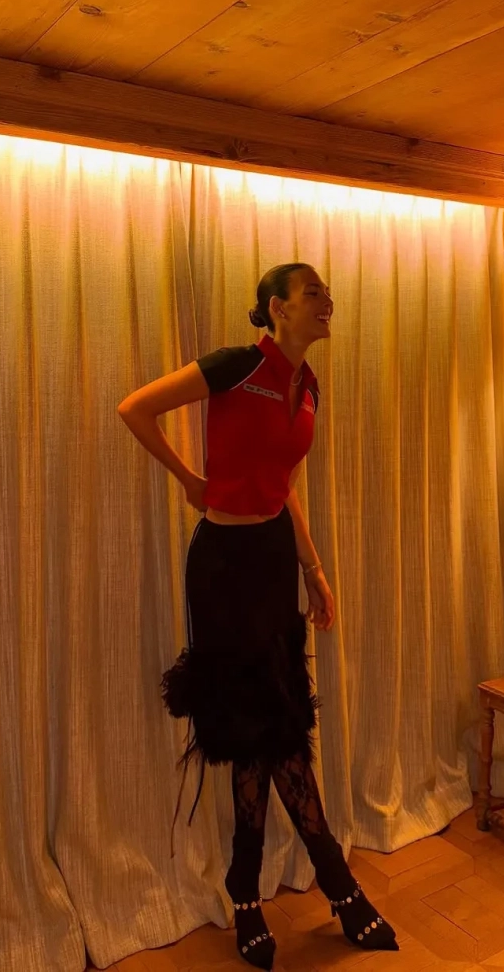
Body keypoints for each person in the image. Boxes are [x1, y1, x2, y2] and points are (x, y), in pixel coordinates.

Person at [118, 263, 397, 969]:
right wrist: (190, 479)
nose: (327, 301)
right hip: (223, 565)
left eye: (327, 292)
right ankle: (335, 881)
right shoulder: (237, 365)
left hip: (273, 558)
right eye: (313, 293)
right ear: (277, 307)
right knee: (260, 724)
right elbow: (135, 409)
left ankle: (245, 886)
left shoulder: (309, 386)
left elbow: (285, 485)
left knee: (272, 723)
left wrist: (314, 570)